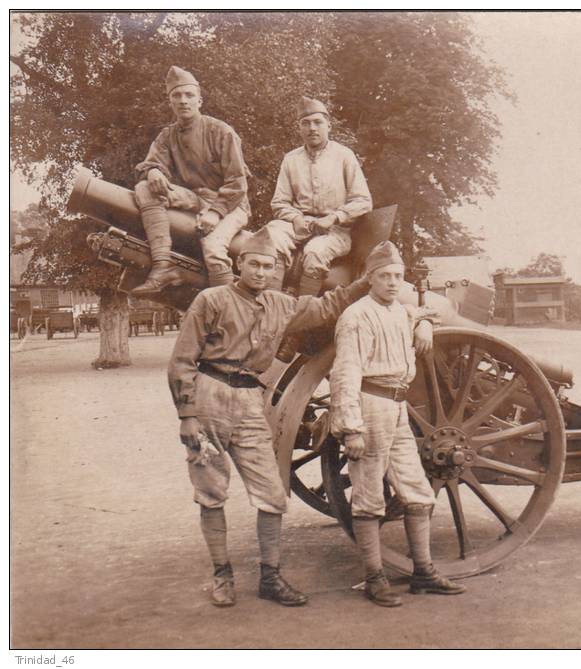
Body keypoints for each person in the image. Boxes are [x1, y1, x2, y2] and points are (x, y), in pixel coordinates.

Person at [168, 226, 371, 607]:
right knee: (211, 493)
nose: (260, 272)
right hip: (209, 394)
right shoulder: (211, 300)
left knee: (272, 494)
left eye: (268, 266)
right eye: (254, 264)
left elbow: (328, 305)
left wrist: (365, 282)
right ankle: (222, 576)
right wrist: (187, 416)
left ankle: (270, 577)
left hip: (249, 400)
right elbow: (181, 361)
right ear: (239, 263)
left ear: (275, 269)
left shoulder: (281, 304)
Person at [329, 241, 466, 607]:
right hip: (370, 404)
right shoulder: (356, 316)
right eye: (384, 276)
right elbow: (345, 373)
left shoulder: (401, 312)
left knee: (417, 489)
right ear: (370, 279)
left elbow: (423, 313)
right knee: (369, 494)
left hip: (398, 407)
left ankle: (423, 571)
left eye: (397, 277)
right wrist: (351, 428)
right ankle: (374, 577)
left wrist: (422, 324)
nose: (392, 282)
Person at [133, 66, 252, 295]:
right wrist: (153, 172)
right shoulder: (168, 135)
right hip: (196, 198)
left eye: (189, 95)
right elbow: (152, 162)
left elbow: (237, 183)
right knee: (145, 188)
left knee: (214, 247)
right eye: (176, 96)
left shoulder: (221, 131)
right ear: (170, 102)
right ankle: (161, 265)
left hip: (232, 205)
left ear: (200, 100)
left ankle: (228, 310)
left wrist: (215, 213)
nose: (183, 100)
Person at [264, 96, 372, 295]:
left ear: (328, 126)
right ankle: (271, 306)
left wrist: (334, 218)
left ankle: (305, 313)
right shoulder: (291, 159)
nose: (312, 128)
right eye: (305, 123)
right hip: (299, 225)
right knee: (270, 237)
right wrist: (295, 218)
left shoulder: (344, 155)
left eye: (317, 122)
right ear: (299, 129)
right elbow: (279, 202)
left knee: (315, 252)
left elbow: (363, 201)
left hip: (335, 230)